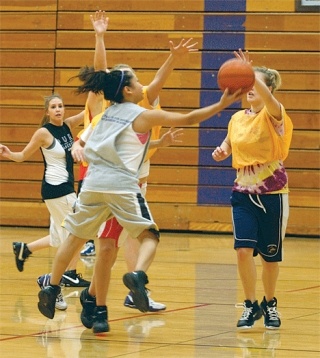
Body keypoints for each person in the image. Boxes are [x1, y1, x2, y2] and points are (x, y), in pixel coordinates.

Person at [36, 65, 242, 335]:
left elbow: (86, 145)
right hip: (121, 185)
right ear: (128, 90)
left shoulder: (105, 114)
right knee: (150, 236)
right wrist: (221, 103)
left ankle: (52, 286)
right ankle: (138, 275)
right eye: (137, 81)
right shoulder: (141, 115)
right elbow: (189, 118)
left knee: (74, 237)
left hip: (92, 184)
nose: (142, 85)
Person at [75, 10, 196, 312]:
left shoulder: (143, 101)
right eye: (132, 77)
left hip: (134, 180)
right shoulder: (111, 105)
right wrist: (99, 36)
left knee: (121, 241)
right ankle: (86, 293)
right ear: (122, 88)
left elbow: (157, 81)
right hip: (109, 180)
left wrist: (173, 59)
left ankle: (123, 287)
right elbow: (101, 72)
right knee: (108, 244)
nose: (140, 82)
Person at [212, 50, 293, 330]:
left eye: (254, 83)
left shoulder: (275, 114)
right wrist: (222, 151)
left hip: (273, 195)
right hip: (243, 193)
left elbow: (270, 102)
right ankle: (250, 305)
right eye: (247, 83)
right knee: (243, 251)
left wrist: (247, 71)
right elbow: (229, 144)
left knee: (271, 256)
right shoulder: (237, 119)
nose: (249, 88)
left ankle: (270, 303)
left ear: (268, 89)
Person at [0, 94, 90, 310]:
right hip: (57, 190)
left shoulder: (68, 125)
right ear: (47, 112)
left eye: (60, 106)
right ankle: (53, 284)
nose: (58, 109)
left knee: (60, 238)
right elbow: (22, 155)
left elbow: (89, 114)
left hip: (65, 189)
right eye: (53, 107)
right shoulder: (43, 133)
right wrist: (8, 153)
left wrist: (98, 92)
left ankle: (26, 250)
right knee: (75, 236)